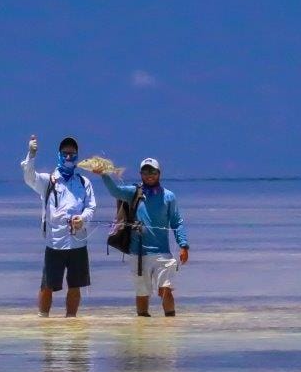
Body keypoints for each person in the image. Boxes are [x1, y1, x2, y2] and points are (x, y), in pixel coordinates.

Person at [91, 157, 189, 317]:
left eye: (153, 171)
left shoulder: (169, 196)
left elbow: (177, 222)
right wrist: (104, 175)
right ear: (141, 174)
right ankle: (142, 332)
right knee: (142, 294)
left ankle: (170, 330)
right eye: (145, 171)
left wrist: (183, 245)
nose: (149, 175)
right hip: (138, 254)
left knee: (166, 290)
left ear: (159, 173)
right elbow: (115, 191)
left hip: (162, 253)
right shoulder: (133, 192)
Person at [21, 135, 96, 317]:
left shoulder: (84, 182)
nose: (69, 157)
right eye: (65, 153)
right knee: (47, 284)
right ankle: (43, 320)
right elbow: (29, 178)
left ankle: (71, 321)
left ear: (77, 156)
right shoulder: (48, 181)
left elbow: (91, 206)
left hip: (78, 242)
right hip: (55, 242)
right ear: (59, 155)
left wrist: (83, 219)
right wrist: (31, 154)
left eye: (72, 154)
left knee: (75, 284)